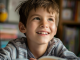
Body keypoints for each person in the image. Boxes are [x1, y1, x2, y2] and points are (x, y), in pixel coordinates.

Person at [0, 0, 80, 60]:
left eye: (50, 19)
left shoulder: (56, 46)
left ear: (55, 30)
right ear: (22, 27)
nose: (44, 24)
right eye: (37, 18)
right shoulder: (15, 47)